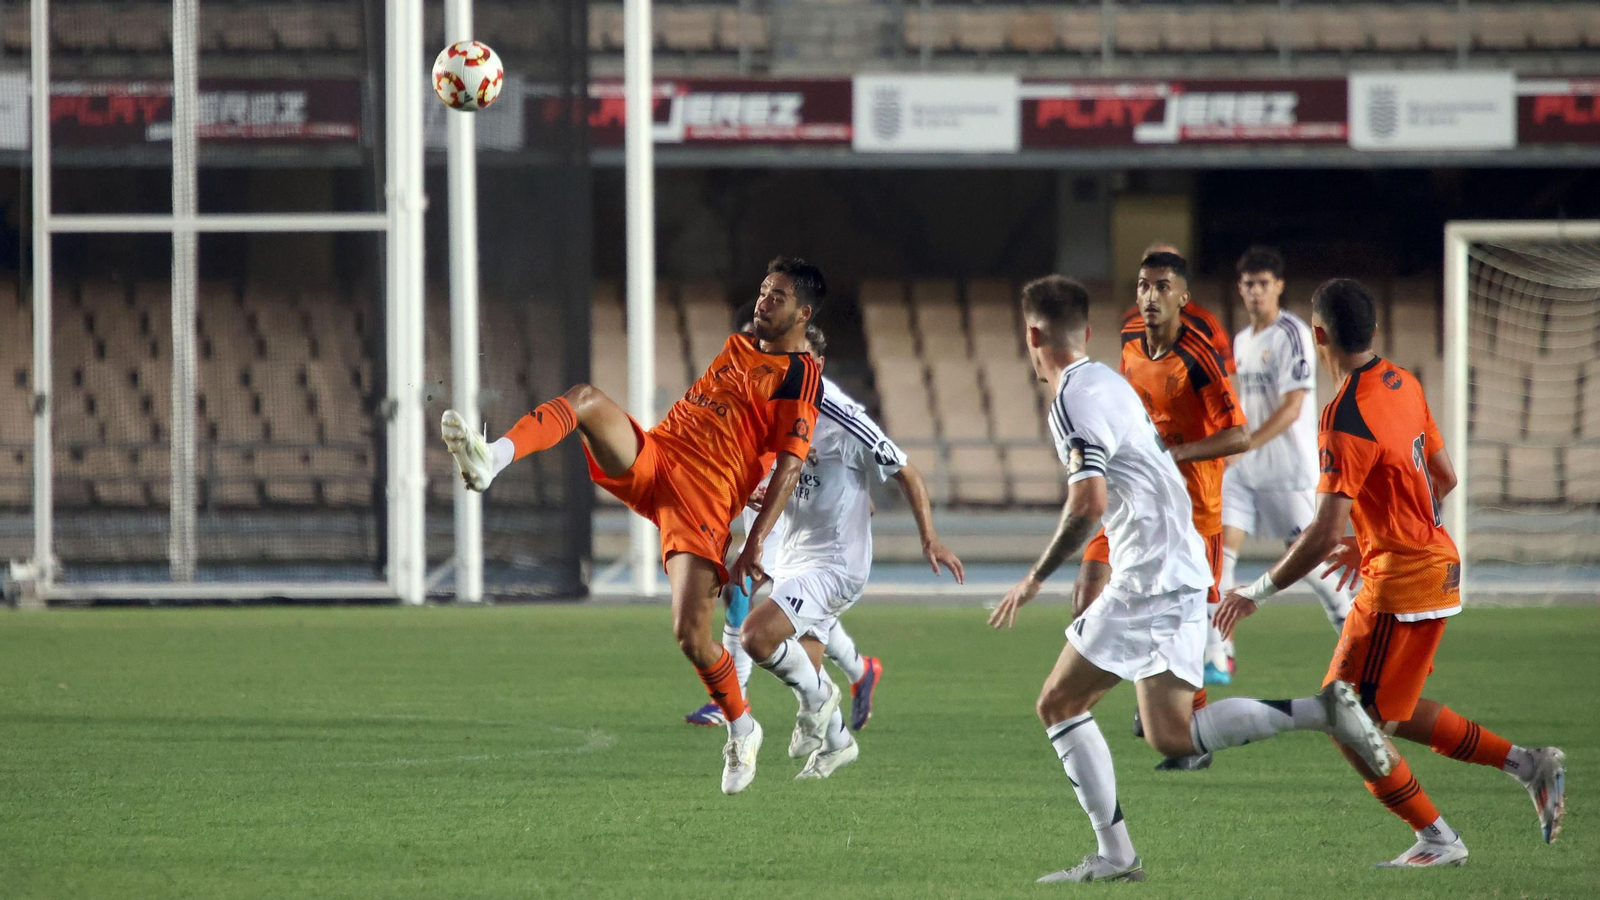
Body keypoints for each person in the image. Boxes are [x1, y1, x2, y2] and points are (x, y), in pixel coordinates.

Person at [990, 275, 1389, 884]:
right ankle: (1324, 710)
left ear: (1031, 335)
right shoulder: (1109, 381)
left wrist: (1035, 577)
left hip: (1149, 573)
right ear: (1088, 333)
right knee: (1173, 734)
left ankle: (1116, 857)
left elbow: (1088, 502)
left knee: (1059, 703)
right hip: (1177, 563)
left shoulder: (1071, 399)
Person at [441, 257, 828, 795]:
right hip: (657, 457)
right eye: (763, 290)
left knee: (691, 638)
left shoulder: (802, 377)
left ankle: (743, 727)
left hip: (703, 502)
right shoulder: (739, 345)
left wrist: (753, 543)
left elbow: (788, 465)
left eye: (777, 296)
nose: (763, 300)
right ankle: (492, 458)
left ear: (803, 313)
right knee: (585, 399)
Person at [1216, 278, 1566, 867]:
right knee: (1390, 714)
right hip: (1436, 567)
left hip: (1399, 585)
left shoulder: (1343, 414)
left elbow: (1321, 532)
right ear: (1374, 330)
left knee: (1347, 720)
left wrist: (1255, 592)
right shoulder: (1405, 382)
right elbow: (1444, 478)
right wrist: (1374, 537)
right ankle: (1528, 765)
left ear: (1319, 334)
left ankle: (1439, 838)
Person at [687, 325, 962, 737]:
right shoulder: (758, 396)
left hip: (817, 546)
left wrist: (928, 538)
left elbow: (902, 470)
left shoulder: (842, 420)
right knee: (801, 653)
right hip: (787, 523)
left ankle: (733, 699)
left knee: (752, 604)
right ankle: (853, 683)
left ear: (817, 364)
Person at [1080, 251, 1250, 767]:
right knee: (1089, 587)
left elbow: (1239, 435)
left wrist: (1175, 454)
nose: (1150, 296)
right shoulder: (1130, 335)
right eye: (1143, 285)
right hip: (1135, 498)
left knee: (1189, 620)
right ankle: (1145, 697)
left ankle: (1189, 734)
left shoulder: (1199, 358)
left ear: (1183, 298)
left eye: (1161, 287)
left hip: (1194, 508)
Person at [1217, 247, 1352, 678]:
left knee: (1311, 567)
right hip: (1244, 471)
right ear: (1240, 289)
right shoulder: (1242, 340)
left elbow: (1293, 407)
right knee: (1218, 556)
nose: (1255, 291)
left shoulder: (1291, 333)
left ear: (1278, 286)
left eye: (1263, 283)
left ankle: (1358, 639)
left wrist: (1248, 442)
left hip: (1288, 472)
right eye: (1249, 284)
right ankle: (1218, 655)